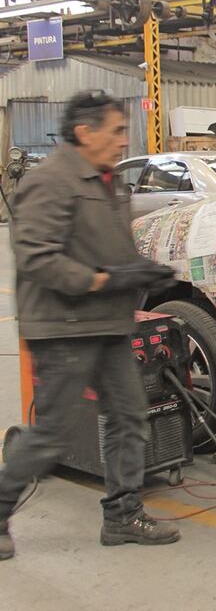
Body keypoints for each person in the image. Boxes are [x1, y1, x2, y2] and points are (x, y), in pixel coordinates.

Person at [0, 90, 181, 561]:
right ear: (85, 132)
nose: (125, 141)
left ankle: (122, 517)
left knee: (129, 416)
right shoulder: (50, 181)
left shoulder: (109, 183)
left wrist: (142, 270)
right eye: (117, 130)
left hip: (108, 323)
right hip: (63, 327)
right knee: (51, 433)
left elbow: (108, 251)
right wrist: (106, 280)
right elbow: (39, 259)